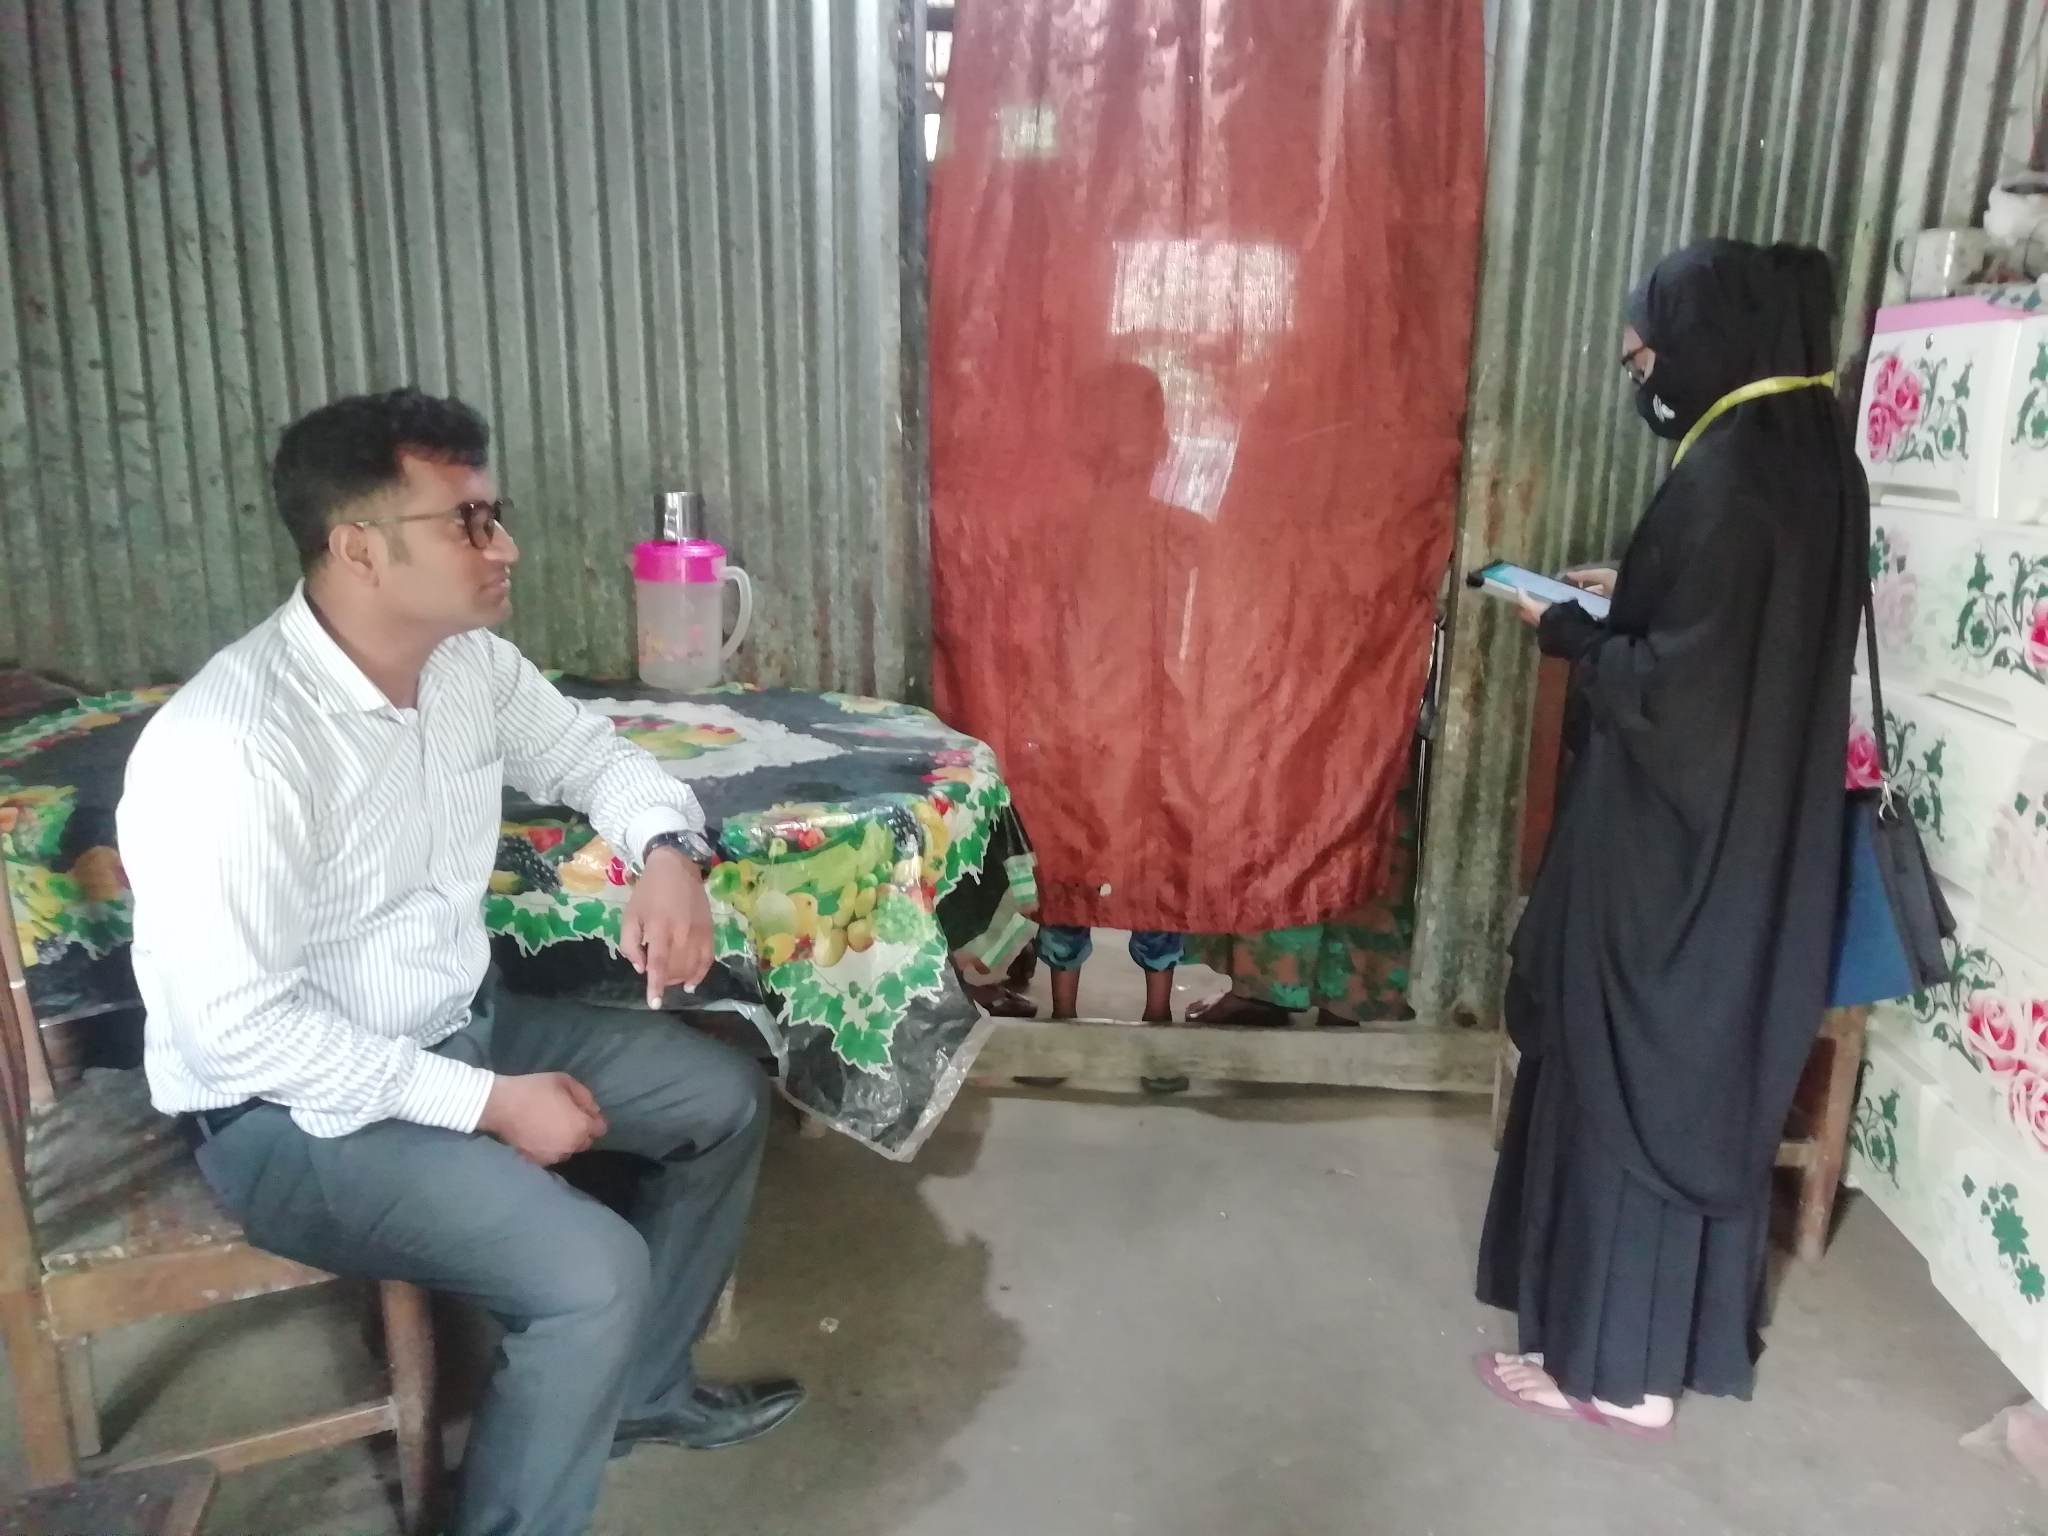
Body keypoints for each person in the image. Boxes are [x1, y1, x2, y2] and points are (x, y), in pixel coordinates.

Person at [117, 389, 804, 1536]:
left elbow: (593, 756)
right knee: (588, 1275)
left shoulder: (465, 664)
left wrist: (665, 851)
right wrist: (487, 1103)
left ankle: (639, 1394)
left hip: (454, 1027)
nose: (507, 546)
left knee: (720, 1098)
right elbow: (234, 1034)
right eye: (468, 521)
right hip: (290, 1116)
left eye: (495, 514)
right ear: (358, 549)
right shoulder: (233, 748)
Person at [1474, 240, 1865, 1432]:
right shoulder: (1813, 459)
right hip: (1754, 847)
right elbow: (1734, 632)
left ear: (1705, 345)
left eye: (1643, 354)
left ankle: (1616, 1373)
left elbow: (1675, 696)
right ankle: (1647, 1357)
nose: (1638, 374)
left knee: (1626, 1079)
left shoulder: (1727, 475)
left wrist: (1570, 631)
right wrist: (1631, 595)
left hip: (1669, 859)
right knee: (1698, 1083)